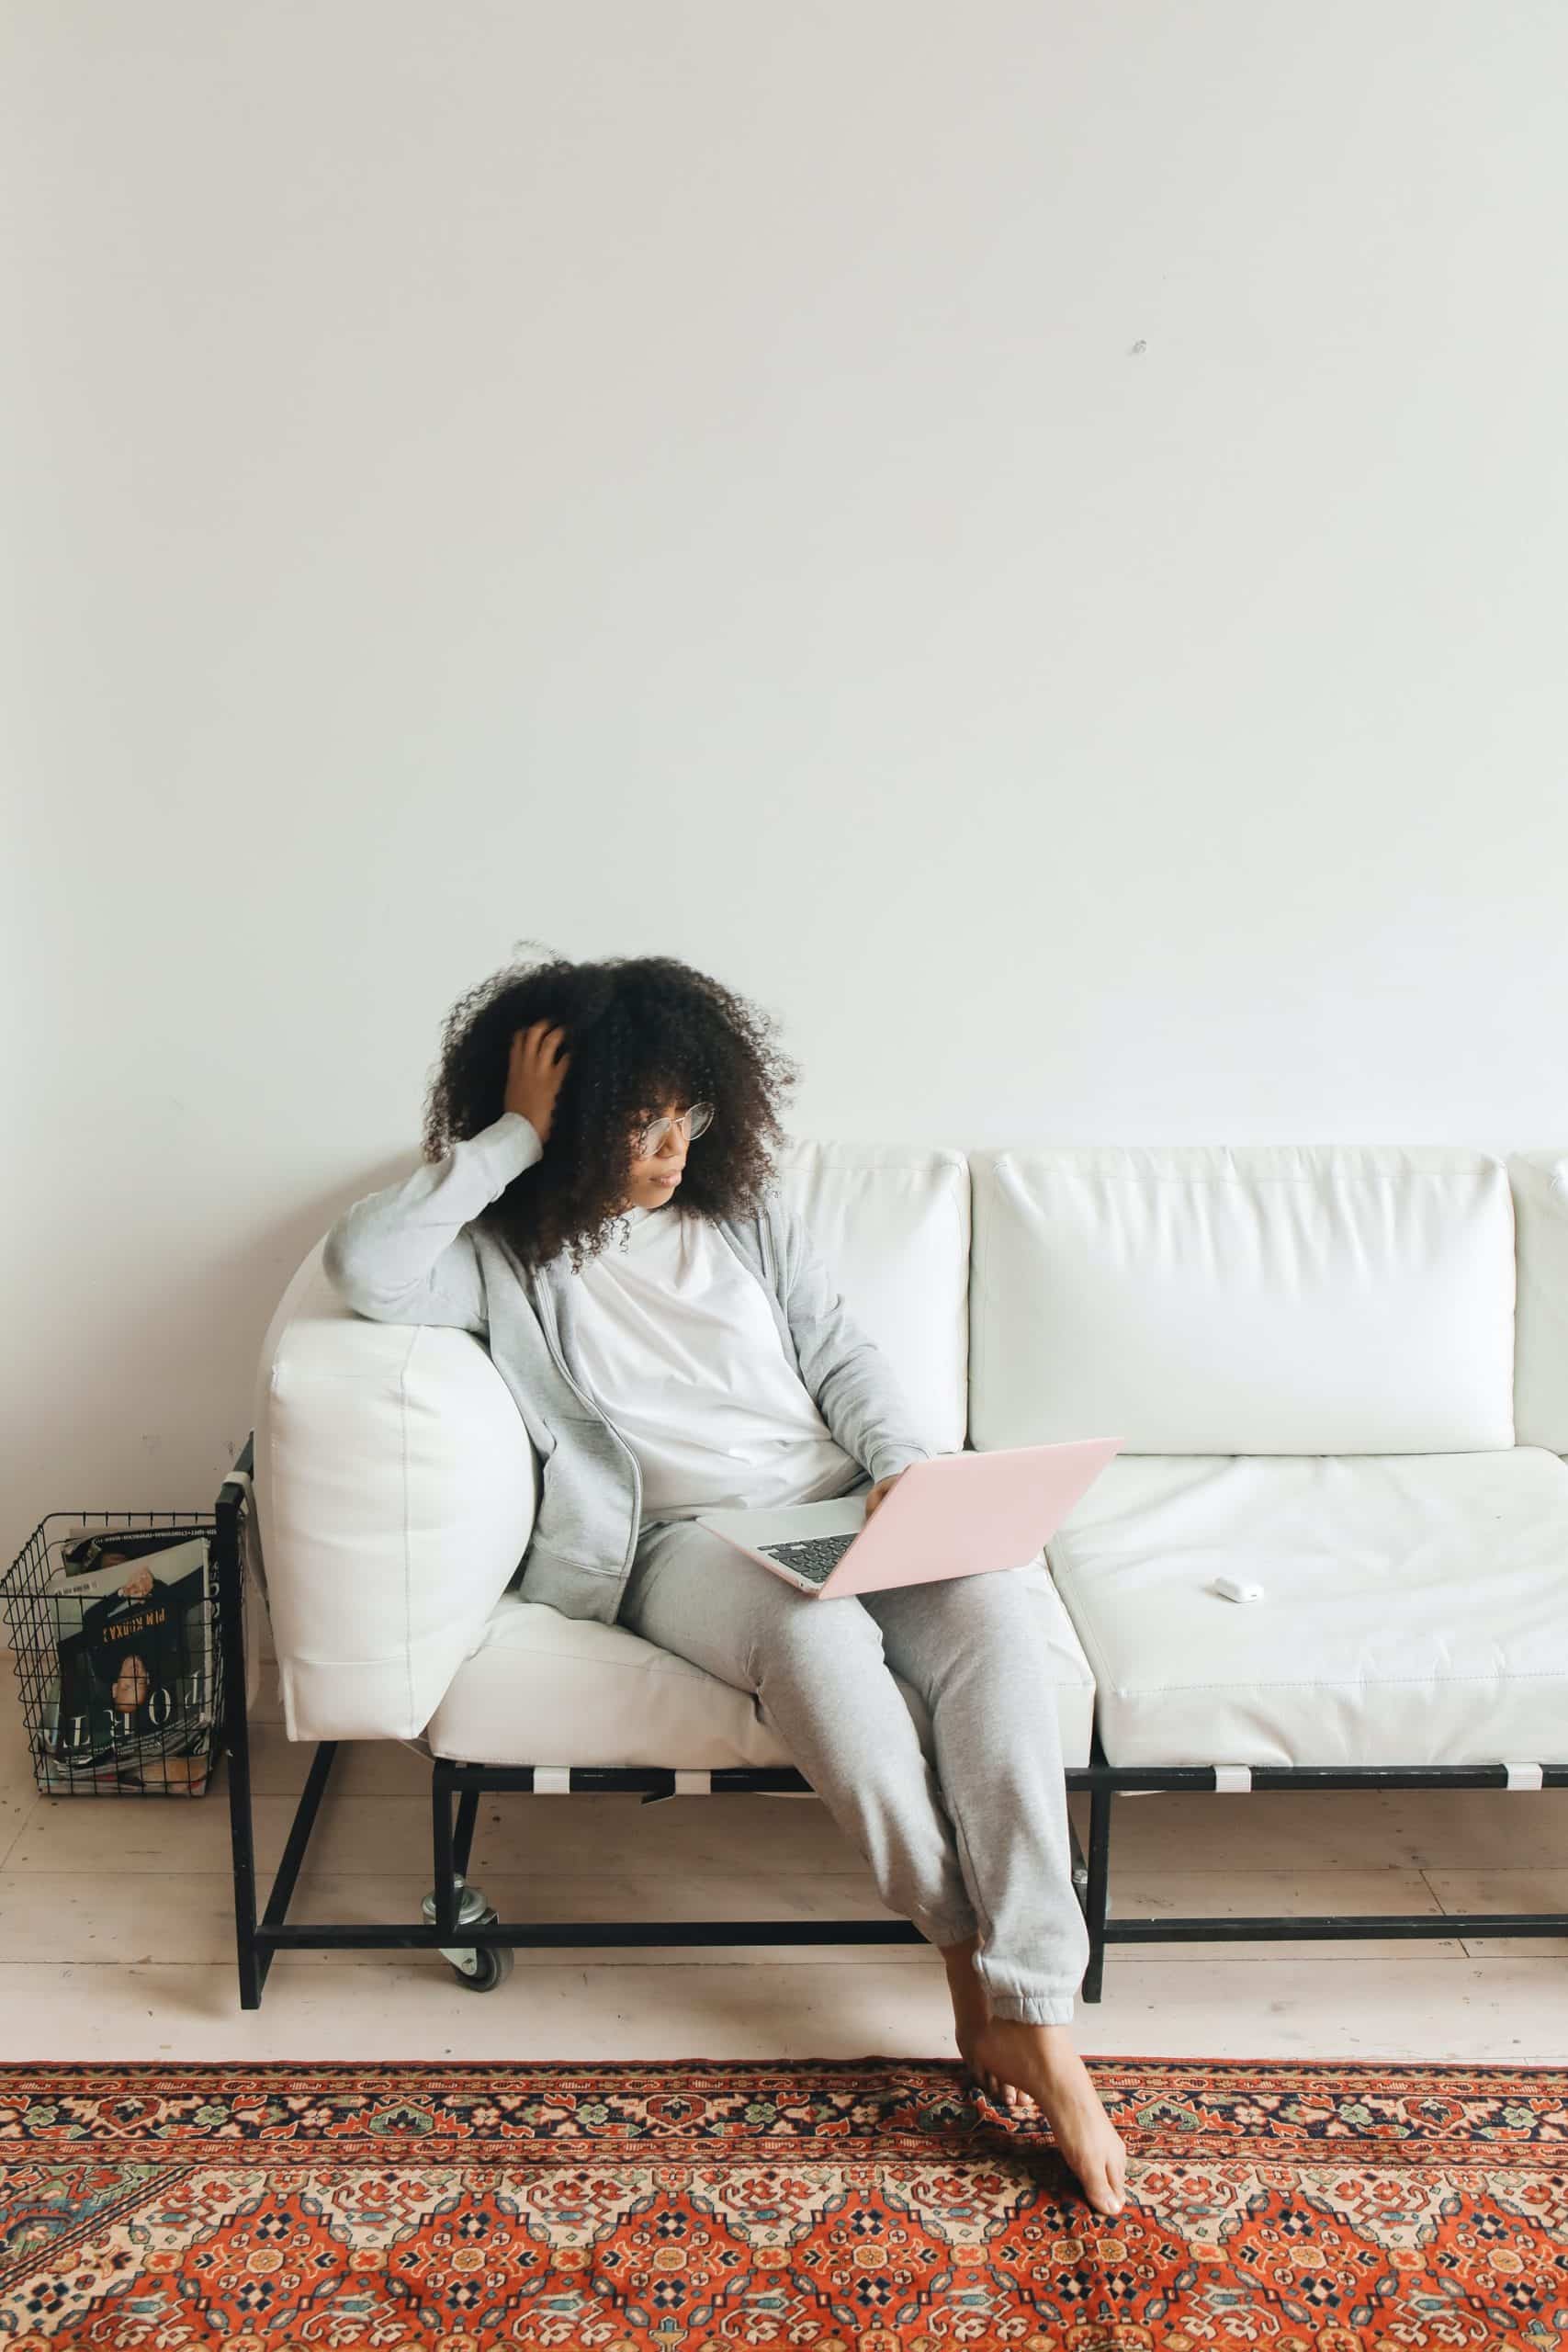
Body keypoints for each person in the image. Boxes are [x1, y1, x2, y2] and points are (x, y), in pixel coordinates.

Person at [322, 948, 1126, 2217]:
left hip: (831, 1498)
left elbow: (841, 1352)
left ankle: (1035, 2003)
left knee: (998, 1626)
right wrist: (509, 1142)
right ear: (568, 1128)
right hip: (682, 1541)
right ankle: (976, 1966)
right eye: (637, 1125)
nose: (672, 1146)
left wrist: (904, 1469)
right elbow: (362, 1270)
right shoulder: (496, 1250)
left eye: (684, 1113)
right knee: (817, 1654)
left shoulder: (743, 1209)